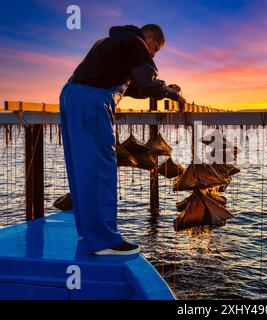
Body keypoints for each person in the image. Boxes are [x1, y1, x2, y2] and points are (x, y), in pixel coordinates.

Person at [59, 24, 186, 255]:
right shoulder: (135, 42)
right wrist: (173, 94)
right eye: (155, 49)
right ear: (148, 37)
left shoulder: (111, 42)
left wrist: (161, 88)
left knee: (82, 169)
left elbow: (136, 89)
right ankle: (104, 241)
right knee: (100, 168)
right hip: (92, 100)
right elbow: (146, 82)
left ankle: (89, 233)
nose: (153, 54)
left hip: (71, 97)